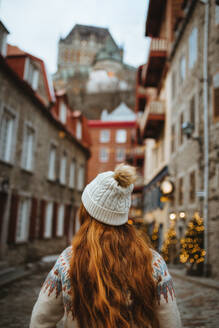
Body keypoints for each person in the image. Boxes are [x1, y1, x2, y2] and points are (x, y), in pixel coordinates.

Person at [30, 164, 182, 328]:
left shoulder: (69, 260)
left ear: (86, 213)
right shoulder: (153, 262)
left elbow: (40, 321)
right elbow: (171, 323)